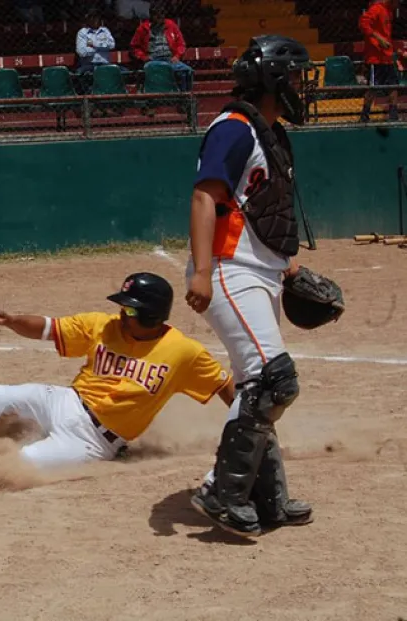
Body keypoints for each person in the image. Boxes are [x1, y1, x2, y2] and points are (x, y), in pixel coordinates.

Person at [0, 272, 234, 472]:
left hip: (93, 440)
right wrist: (12, 321)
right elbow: (48, 328)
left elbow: (223, 384)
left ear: (151, 316)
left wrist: (247, 431)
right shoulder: (104, 326)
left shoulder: (184, 352)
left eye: (129, 310)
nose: (121, 314)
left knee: (11, 468)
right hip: (65, 402)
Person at [184, 35, 315, 538]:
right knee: (273, 379)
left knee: (254, 387)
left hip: (258, 271)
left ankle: (267, 499)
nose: (302, 84)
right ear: (273, 79)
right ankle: (221, 489)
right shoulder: (235, 128)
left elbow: (260, 209)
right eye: (297, 75)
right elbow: (204, 198)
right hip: (226, 268)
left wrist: (286, 266)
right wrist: (199, 270)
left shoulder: (271, 133)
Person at [358, 0, 407, 123]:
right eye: (397, 3)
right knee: (373, 87)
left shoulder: (388, 11)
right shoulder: (376, 8)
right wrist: (379, 39)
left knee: (393, 85)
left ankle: (393, 114)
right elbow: (363, 24)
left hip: (387, 56)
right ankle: (365, 114)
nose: (398, 6)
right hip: (376, 57)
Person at [129, 2, 193, 91]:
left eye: (162, 13)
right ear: (151, 15)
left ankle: (185, 98)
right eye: (157, 14)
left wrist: (177, 56)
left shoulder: (171, 25)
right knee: (151, 71)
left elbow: (181, 44)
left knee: (186, 71)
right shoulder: (143, 28)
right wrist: (144, 57)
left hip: (169, 59)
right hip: (152, 60)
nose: (160, 16)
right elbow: (134, 47)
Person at [76, 8, 117, 75]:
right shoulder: (82, 32)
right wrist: (103, 47)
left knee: (123, 71)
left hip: (105, 64)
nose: (94, 20)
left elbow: (112, 45)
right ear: (87, 19)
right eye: (91, 17)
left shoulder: (105, 30)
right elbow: (82, 52)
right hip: (89, 65)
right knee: (81, 73)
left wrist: (94, 45)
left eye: (96, 17)